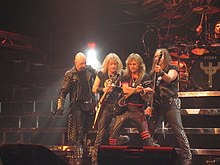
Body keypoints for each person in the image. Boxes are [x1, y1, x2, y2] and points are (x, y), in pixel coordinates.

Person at [149, 48, 192, 165]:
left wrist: (162, 72)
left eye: (161, 56)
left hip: (170, 103)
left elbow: (169, 79)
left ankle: (187, 156)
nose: (158, 58)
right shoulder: (153, 73)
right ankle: (152, 153)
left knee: (178, 130)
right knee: (152, 130)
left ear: (166, 57)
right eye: (156, 56)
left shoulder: (172, 68)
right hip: (158, 105)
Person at [108, 53, 159, 147]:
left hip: (138, 110)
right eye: (130, 64)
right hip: (124, 109)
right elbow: (125, 90)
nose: (132, 66)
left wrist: (143, 92)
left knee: (147, 138)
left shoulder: (146, 77)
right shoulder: (125, 75)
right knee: (112, 137)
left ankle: (152, 156)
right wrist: (138, 90)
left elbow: (147, 97)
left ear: (139, 64)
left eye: (134, 64)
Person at [91, 53, 130, 165]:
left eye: (115, 64)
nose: (113, 66)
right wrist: (103, 89)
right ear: (107, 64)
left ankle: (114, 157)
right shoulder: (101, 74)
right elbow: (94, 88)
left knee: (115, 133)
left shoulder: (121, 75)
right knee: (101, 133)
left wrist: (117, 88)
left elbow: (125, 89)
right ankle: (95, 159)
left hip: (118, 107)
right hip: (105, 106)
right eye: (111, 64)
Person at [55, 52, 96, 150]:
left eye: (85, 63)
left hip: (89, 104)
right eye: (81, 63)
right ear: (75, 62)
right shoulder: (70, 74)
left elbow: (100, 77)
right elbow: (63, 91)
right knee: (79, 131)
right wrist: (60, 106)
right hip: (77, 105)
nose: (84, 65)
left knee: (90, 129)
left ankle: (87, 150)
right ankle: (77, 151)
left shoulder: (89, 71)